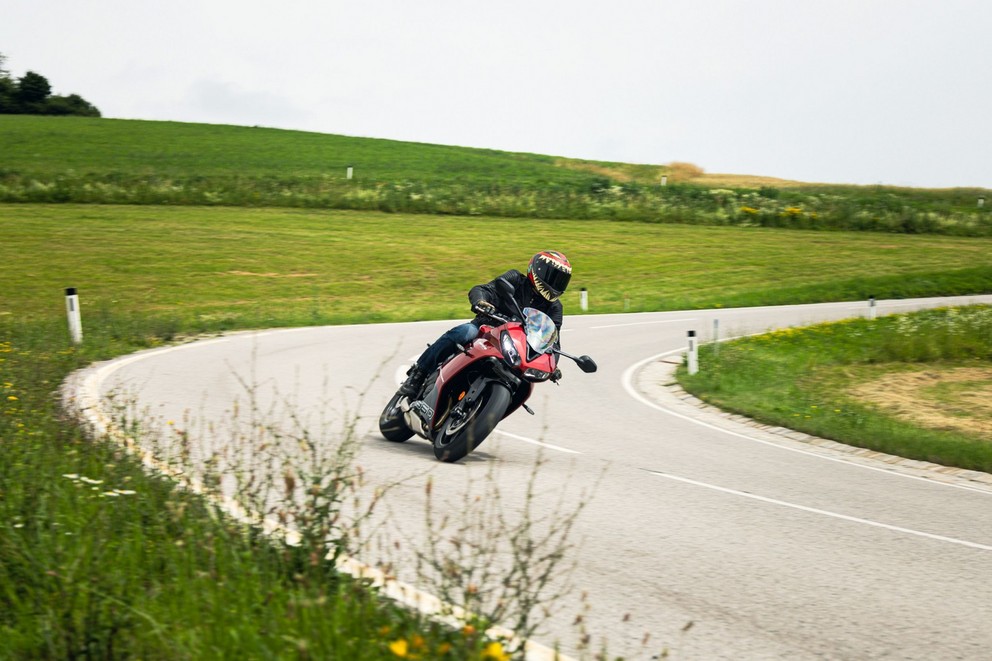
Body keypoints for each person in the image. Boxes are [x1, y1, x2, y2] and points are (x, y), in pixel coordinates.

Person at [398, 250, 573, 396]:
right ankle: (418, 374)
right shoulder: (515, 279)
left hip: (516, 346)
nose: (554, 283)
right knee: (464, 332)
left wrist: (552, 365)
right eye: (552, 277)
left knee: (524, 382)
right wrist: (481, 302)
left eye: (560, 280)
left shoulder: (555, 308)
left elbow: (552, 340)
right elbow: (484, 289)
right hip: (486, 328)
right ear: (538, 270)